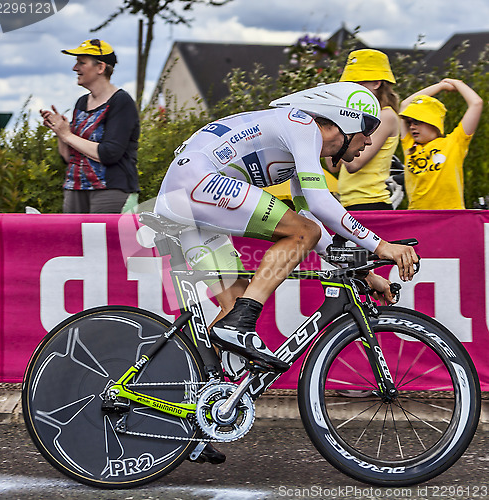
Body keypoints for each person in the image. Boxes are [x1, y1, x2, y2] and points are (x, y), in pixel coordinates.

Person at [155, 82, 418, 373]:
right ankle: (241, 323)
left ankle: (187, 387)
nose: (368, 142)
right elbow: (317, 211)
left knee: (235, 305)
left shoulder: (300, 148)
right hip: (194, 184)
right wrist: (382, 246)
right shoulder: (302, 125)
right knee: (247, 307)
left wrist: (366, 274)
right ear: (346, 123)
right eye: (366, 132)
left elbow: (313, 221)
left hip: (186, 196)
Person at [40, 39, 140, 213]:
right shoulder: (81, 102)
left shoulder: (121, 101)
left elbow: (109, 154)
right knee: (73, 240)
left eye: (81, 63)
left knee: (103, 240)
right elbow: (68, 156)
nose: (75, 68)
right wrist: (59, 130)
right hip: (75, 188)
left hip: (109, 191)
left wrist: (67, 135)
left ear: (100, 68)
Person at [327, 49, 400, 210]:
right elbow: (333, 166)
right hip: (348, 203)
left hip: (371, 202)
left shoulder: (386, 116)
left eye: (358, 83)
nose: (351, 89)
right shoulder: (357, 118)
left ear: (377, 83)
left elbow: (354, 164)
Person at [399, 78, 483, 209]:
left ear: (433, 122)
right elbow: (404, 105)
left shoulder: (454, 142)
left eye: (417, 121)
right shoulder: (409, 145)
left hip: (450, 217)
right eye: (409, 122)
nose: (411, 127)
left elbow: (476, 103)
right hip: (417, 218)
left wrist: (457, 83)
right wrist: (440, 86)